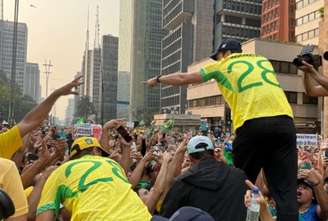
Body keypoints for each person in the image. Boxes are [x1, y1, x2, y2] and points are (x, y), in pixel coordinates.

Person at [147, 39, 297, 221]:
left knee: (241, 183)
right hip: (285, 122)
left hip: (251, 123)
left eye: (218, 57)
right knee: (285, 189)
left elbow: (183, 78)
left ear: (224, 54)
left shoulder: (222, 65)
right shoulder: (262, 61)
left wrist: (158, 79)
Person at [36, 136, 151, 221]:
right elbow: (129, 184)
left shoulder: (59, 172)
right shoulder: (111, 163)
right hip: (142, 217)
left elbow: (43, 218)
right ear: (96, 151)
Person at [159, 135, 247, 221]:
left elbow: (167, 215)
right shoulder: (239, 176)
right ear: (213, 153)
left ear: (190, 157)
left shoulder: (182, 183)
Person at [0, 77, 82, 160]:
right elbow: (30, 121)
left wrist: (56, 94)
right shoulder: (3, 142)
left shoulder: (2, 142)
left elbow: (31, 121)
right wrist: (56, 94)